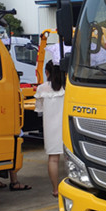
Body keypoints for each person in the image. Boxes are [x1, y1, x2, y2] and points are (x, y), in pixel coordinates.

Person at [35, 59, 66, 197]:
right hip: (66, 127)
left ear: (46, 72)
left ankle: (55, 189)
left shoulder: (42, 89)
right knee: (71, 159)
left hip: (50, 129)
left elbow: (39, 110)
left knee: (53, 159)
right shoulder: (67, 88)